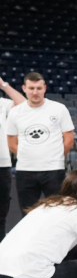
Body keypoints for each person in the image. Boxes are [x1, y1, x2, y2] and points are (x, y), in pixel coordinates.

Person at [5, 72, 75, 212]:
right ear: (24, 88)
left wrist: (56, 157)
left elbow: (69, 139)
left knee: (57, 212)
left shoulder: (59, 109)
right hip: (25, 170)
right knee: (28, 214)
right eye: (31, 88)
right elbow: (12, 143)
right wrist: (27, 156)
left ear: (45, 88)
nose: (35, 92)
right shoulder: (15, 112)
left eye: (38, 88)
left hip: (54, 170)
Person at [0, 74, 26, 242]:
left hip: (2, 165)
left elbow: (24, 104)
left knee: (1, 212)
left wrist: (3, 84)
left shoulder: (2, 104)